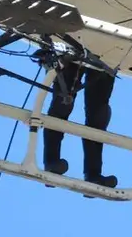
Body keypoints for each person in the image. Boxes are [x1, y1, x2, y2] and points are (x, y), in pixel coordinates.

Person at [42, 62, 117, 191]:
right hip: (76, 50)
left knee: (98, 115)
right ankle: (51, 161)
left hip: (106, 55)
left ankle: (93, 174)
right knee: (63, 102)